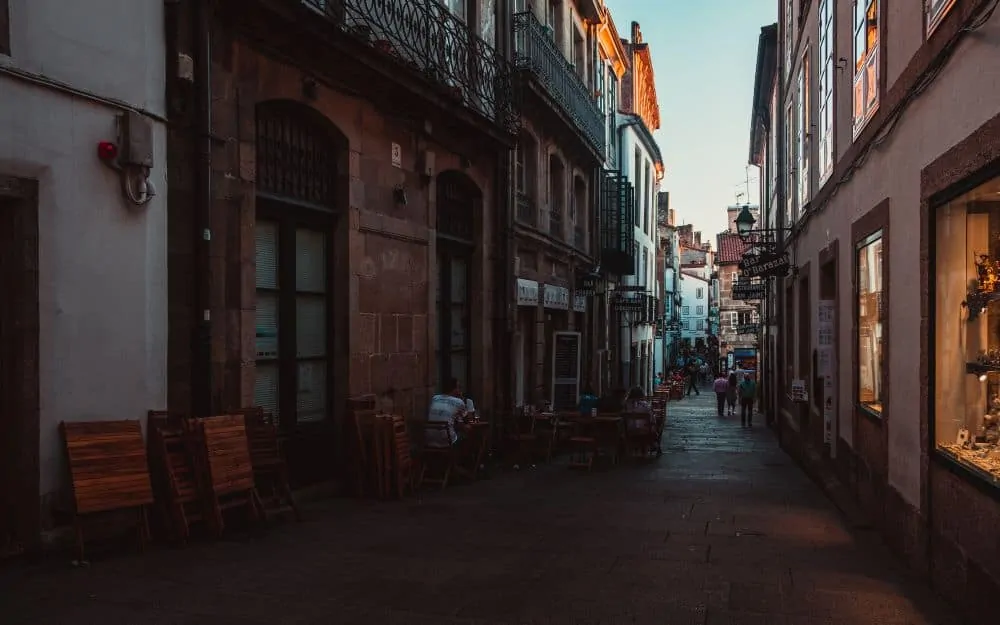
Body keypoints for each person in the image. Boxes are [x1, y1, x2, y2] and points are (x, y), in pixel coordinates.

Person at [427, 377, 467, 446]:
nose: (460, 389)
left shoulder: (435, 398)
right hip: (447, 440)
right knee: (466, 436)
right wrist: (461, 398)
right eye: (458, 387)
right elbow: (463, 422)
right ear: (454, 389)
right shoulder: (459, 402)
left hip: (430, 438)